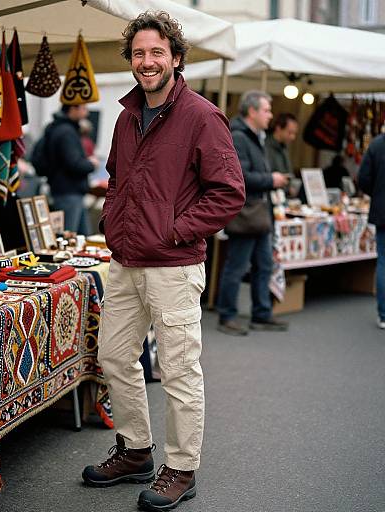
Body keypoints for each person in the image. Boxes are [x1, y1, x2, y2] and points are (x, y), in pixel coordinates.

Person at [81, 11, 245, 512]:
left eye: (157, 53)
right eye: (138, 53)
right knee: (113, 356)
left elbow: (228, 193)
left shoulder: (202, 115)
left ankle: (181, 467)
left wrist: (174, 232)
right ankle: (135, 451)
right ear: (130, 60)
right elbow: (115, 181)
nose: (146, 62)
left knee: (178, 370)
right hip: (127, 260)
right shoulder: (127, 118)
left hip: (173, 265)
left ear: (175, 57)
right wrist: (114, 225)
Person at [216, 90, 289, 336]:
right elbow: (239, 177)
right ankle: (227, 315)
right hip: (246, 212)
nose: (270, 115)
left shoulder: (255, 137)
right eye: (267, 110)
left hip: (258, 212)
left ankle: (262, 314)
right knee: (237, 266)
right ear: (252, 111)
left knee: (264, 265)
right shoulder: (239, 137)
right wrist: (271, 179)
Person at [43, 103, 99, 234]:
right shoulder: (66, 132)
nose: (87, 113)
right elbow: (74, 163)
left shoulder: (60, 128)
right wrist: (91, 164)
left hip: (69, 192)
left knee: (81, 238)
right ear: (73, 108)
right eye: (84, 108)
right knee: (68, 238)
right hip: (68, 193)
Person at [358, 133, 385, 329]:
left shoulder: (377, 145)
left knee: (383, 261)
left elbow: (363, 179)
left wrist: (376, 194)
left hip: (382, 211)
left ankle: (384, 314)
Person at [265, 112, 298, 177]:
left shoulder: (283, 147)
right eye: (290, 132)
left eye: (294, 133)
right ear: (278, 128)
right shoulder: (265, 146)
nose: (293, 137)